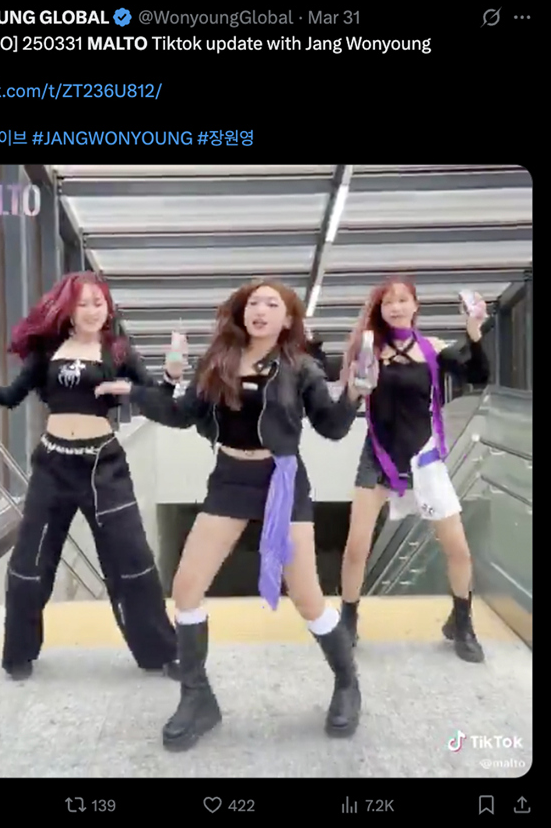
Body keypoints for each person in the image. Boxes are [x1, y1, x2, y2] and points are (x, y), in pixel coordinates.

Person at [96, 280, 364, 751]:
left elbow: (332, 427)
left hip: (281, 480)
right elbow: (182, 414)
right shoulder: (218, 360)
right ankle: (197, 697)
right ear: (242, 312)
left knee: (307, 597)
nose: (260, 310)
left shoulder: (300, 367)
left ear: (287, 319)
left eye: (272, 304)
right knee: (186, 587)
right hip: (230, 479)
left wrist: (354, 394)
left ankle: (347, 683)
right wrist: (137, 391)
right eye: (253, 302)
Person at [0, 271, 184, 681]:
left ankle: (161, 652)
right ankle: (19, 654)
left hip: (104, 468)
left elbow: (159, 402)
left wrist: (169, 377)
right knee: (30, 562)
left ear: (108, 308)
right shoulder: (47, 352)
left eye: (99, 302)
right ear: (68, 309)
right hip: (53, 466)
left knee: (132, 559)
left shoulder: (118, 351)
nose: (92, 311)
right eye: (83, 303)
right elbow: (10, 397)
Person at [337, 278, 490, 662]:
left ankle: (462, 622)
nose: (395, 307)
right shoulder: (370, 349)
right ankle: (348, 619)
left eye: (402, 300)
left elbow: (477, 376)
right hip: (377, 455)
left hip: (424, 456)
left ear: (415, 305)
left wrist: (473, 331)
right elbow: (344, 394)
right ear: (380, 309)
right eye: (388, 302)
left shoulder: (432, 348)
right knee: (356, 547)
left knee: (458, 549)